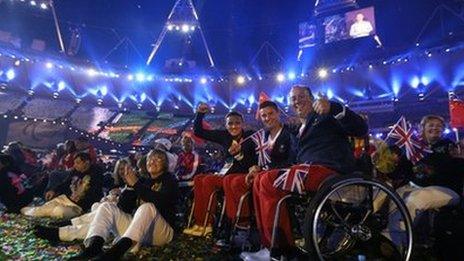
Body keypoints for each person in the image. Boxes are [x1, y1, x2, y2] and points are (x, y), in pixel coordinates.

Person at [241, 85, 368, 260]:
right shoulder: (298, 132)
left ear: (312, 98)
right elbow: (288, 163)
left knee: (268, 180)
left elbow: (360, 128)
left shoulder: (325, 116)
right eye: (293, 98)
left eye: (301, 96)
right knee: (260, 179)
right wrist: (260, 169)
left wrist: (334, 107)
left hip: (329, 170)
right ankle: (268, 245)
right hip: (306, 170)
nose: (297, 101)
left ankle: (280, 250)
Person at [69, 149, 179, 260]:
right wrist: (130, 186)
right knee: (107, 207)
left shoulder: (170, 180)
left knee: (147, 207)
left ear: (165, 163)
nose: (152, 161)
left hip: (162, 232)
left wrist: (136, 185)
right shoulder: (144, 181)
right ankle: (93, 248)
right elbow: (125, 208)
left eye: (158, 158)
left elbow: (161, 202)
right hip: (140, 233)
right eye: (150, 158)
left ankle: (113, 255)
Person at [222, 101, 296, 244]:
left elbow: (292, 159)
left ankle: (275, 243)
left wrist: (262, 170)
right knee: (233, 180)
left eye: (270, 114)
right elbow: (253, 159)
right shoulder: (262, 137)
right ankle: (241, 228)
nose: (267, 118)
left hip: (281, 178)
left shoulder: (289, 134)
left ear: (278, 113)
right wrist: (252, 165)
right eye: (263, 115)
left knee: (252, 180)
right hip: (263, 177)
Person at [386, 115, 464, 245]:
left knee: (417, 198)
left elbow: (456, 171)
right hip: (417, 187)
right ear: (422, 128)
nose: (435, 127)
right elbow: (400, 173)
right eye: (431, 124)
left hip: (447, 190)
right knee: (396, 196)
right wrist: (391, 164)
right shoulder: (412, 148)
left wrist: (461, 158)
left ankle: (393, 243)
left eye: (439, 125)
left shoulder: (449, 146)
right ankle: (399, 242)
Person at [183, 103, 256, 237]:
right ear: (226, 125)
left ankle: (210, 223)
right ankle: (201, 224)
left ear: (243, 124)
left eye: (237, 123)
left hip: (242, 175)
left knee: (209, 180)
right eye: (230, 124)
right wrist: (200, 114)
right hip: (226, 174)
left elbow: (253, 162)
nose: (233, 126)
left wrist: (239, 155)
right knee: (199, 179)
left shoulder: (251, 138)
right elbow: (198, 132)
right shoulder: (224, 136)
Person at [34, 158, 137, 243]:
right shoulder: (118, 184)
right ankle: (67, 226)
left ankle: (60, 232)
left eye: (126, 169)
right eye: (120, 169)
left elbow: (127, 207)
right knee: (98, 207)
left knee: (100, 218)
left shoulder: (137, 184)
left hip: (126, 222)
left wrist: (122, 193)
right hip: (111, 214)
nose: (123, 172)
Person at [21, 152, 103, 219]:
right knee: (46, 207)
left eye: (78, 163)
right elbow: (65, 183)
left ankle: (46, 212)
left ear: (87, 162)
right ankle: (34, 211)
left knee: (59, 211)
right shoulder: (75, 171)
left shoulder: (96, 175)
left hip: (77, 207)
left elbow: (93, 196)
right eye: (74, 163)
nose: (75, 165)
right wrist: (53, 190)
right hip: (65, 199)